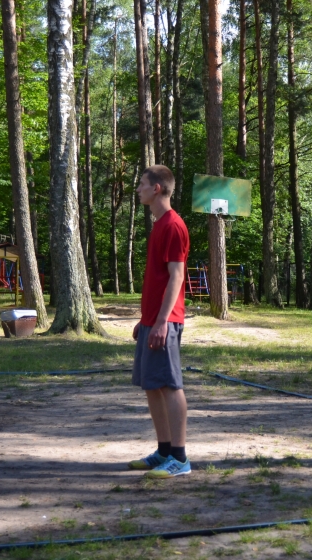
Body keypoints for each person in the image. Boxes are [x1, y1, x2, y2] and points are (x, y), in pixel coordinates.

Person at [127, 164, 192, 478]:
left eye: (142, 184)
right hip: (153, 320)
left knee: (169, 385)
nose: (138, 189)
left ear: (156, 188)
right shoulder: (158, 225)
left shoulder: (174, 226)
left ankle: (179, 459)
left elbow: (176, 277)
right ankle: (163, 451)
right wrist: (146, 320)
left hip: (167, 321)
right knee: (152, 386)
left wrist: (163, 321)